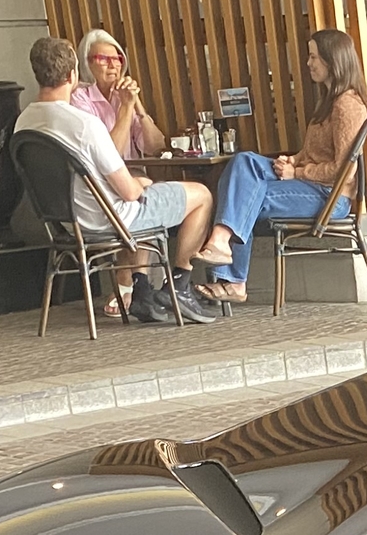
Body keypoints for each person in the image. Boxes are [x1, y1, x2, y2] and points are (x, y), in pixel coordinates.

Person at [14, 36, 220, 326]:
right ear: (75, 73)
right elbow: (130, 192)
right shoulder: (83, 123)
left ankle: (142, 291)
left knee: (152, 196)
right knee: (200, 195)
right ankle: (181, 284)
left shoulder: (23, 122)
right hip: (110, 218)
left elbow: (153, 145)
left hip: (65, 223)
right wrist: (142, 185)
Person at [191, 29, 367, 306]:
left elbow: (343, 171)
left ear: (333, 60)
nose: (308, 63)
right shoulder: (329, 100)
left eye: (313, 57)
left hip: (330, 198)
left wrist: (296, 173)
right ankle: (222, 246)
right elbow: (313, 152)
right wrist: (293, 160)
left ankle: (231, 275)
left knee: (243, 197)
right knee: (243, 162)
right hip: (309, 186)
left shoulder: (347, 105)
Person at [72, 28, 165, 160]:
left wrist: (136, 103)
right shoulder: (78, 97)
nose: (113, 65)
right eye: (103, 59)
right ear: (87, 63)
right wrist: (126, 108)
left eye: (116, 59)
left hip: (134, 176)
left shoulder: (121, 95)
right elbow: (109, 158)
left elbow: (156, 148)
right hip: (103, 179)